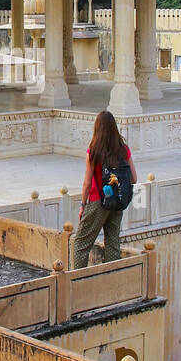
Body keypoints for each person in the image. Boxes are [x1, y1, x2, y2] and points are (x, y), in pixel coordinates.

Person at [71, 109, 137, 270]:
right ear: (114, 128)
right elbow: (134, 178)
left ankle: (78, 280)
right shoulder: (123, 150)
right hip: (117, 200)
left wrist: (82, 205)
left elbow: (87, 183)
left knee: (81, 243)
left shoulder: (93, 152)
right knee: (113, 243)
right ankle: (111, 280)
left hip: (97, 201)